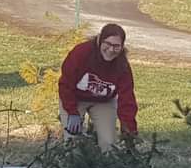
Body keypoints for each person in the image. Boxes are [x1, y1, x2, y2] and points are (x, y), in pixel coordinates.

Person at [58, 23, 138, 151]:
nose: (111, 50)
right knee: (73, 143)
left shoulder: (122, 66)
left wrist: (129, 130)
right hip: (74, 98)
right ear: (100, 40)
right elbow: (66, 84)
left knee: (109, 144)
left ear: (122, 47)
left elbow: (127, 98)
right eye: (108, 43)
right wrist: (72, 112)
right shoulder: (81, 53)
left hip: (104, 102)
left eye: (116, 46)